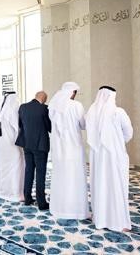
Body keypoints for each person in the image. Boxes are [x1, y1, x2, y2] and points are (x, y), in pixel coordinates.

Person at [86, 86, 133, 232]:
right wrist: (117, 142)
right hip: (114, 156)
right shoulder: (118, 112)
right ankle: (118, 222)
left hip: (98, 157)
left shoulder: (91, 112)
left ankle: (100, 218)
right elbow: (129, 133)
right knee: (115, 186)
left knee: (100, 185)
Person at [48, 82, 89, 219]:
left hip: (59, 149)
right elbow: (83, 125)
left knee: (61, 177)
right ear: (73, 92)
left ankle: (59, 208)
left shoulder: (53, 106)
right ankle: (75, 211)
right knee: (75, 178)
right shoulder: (76, 106)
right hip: (74, 148)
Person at [16, 91, 51, 210]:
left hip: (26, 144)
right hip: (40, 145)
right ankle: (41, 202)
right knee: (40, 173)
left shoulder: (23, 107)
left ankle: (27, 198)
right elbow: (49, 127)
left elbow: (20, 124)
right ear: (44, 99)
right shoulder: (44, 109)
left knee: (29, 171)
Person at [0, 92, 24, 202]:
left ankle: (4, 192)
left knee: (4, 167)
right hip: (12, 143)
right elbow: (17, 127)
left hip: (2, 143)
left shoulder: (0, 109)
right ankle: (14, 193)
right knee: (16, 166)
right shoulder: (12, 108)